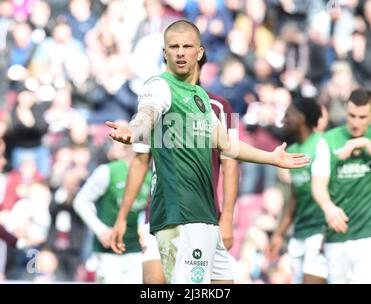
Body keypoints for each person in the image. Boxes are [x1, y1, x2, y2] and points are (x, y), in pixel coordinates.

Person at [106, 19, 309, 284]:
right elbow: (147, 113)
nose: (180, 52)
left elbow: (227, 147)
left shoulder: (205, 101)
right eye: (174, 47)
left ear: (199, 52)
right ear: (164, 52)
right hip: (180, 216)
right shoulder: (158, 86)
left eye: (187, 46)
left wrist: (271, 158)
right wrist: (135, 131)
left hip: (205, 217)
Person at [110, 52, 240, 284]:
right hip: (159, 214)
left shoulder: (221, 106)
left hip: (202, 216)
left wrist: (227, 217)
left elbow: (231, 164)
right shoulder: (155, 106)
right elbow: (140, 163)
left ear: (199, 65)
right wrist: (122, 217)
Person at [73, 131, 152, 284]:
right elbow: (80, 201)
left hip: (135, 250)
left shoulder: (149, 177)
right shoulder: (108, 171)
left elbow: (148, 211)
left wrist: (145, 229)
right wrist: (100, 230)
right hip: (108, 252)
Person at [311, 88, 371, 284]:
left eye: (363, 117)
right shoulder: (328, 140)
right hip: (338, 232)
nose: (356, 122)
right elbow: (318, 184)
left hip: (367, 234)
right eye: (352, 115)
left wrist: (363, 144)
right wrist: (328, 208)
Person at [268, 98, 327, 284]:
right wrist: (279, 233)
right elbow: (294, 197)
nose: (283, 119)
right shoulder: (292, 150)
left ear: (301, 118)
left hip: (321, 231)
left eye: (288, 114)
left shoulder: (322, 144)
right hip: (300, 232)